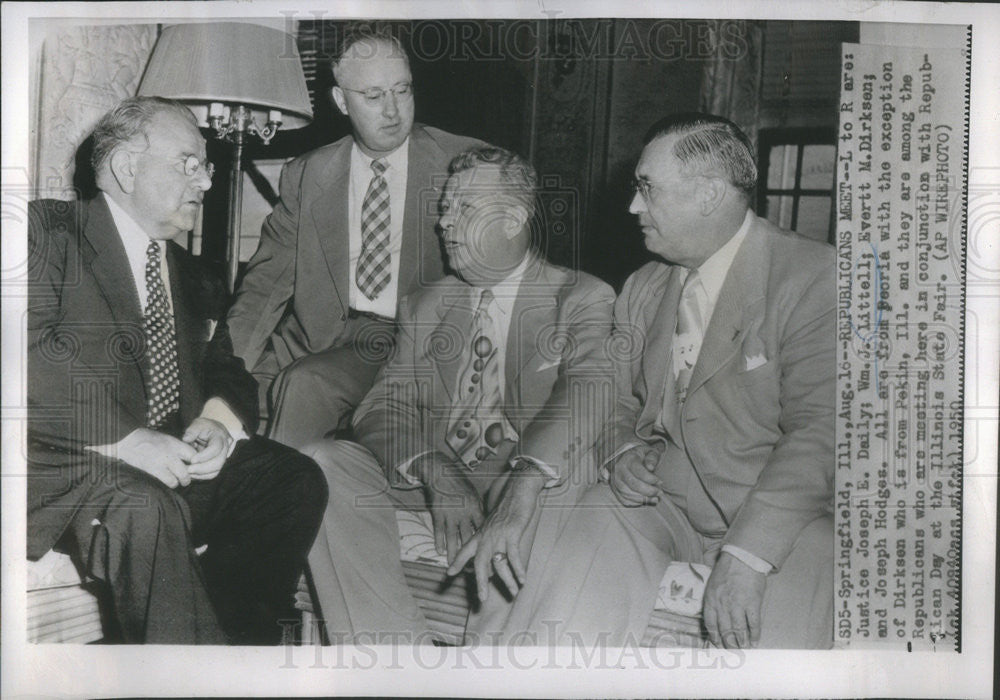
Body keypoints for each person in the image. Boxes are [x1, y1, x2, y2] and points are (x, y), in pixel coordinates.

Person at [502, 113, 835, 649]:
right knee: (590, 523)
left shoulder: (815, 277)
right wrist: (621, 448)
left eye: (647, 189)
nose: (633, 206)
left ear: (707, 194)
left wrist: (748, 553)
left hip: (781, 516)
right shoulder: (645, 285)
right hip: (663, 503)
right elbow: (609, 394)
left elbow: (820, 432)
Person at [26, 96, 327, 645]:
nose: (206, 182)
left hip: (174, 461)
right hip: (68, 460)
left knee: (291, 479)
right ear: (127, 167)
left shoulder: (197, 275)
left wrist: (217, 419)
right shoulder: (46, 235)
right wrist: (124, 439)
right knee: (147, 507)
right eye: (189, 163)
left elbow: (230, 372)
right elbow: (19, 356)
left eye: (207, 166)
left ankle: (235, 660)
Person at [302, 146, 616, 644]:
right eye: (445, 208)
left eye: (464, 209)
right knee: (322, 462)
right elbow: (384, 405)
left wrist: (520, 486)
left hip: (516, 487)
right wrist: (433, 467)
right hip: (438, 478)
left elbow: (587, 393)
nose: (445, 223)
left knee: (564, 471)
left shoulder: (579, 298)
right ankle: (389, 663)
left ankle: (484, 670)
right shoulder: (428, 303)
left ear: (513, 218)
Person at [227, 29, 485, 448]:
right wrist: (226, 365)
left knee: (306, 385)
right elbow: (265, 285)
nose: (393, 111)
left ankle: (276, 506)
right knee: (220, 400)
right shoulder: (308, 173)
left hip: (399, 340)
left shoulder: (463, 165)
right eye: (373, 96)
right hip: (308, 338)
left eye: (402, 90)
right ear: (341, 101)